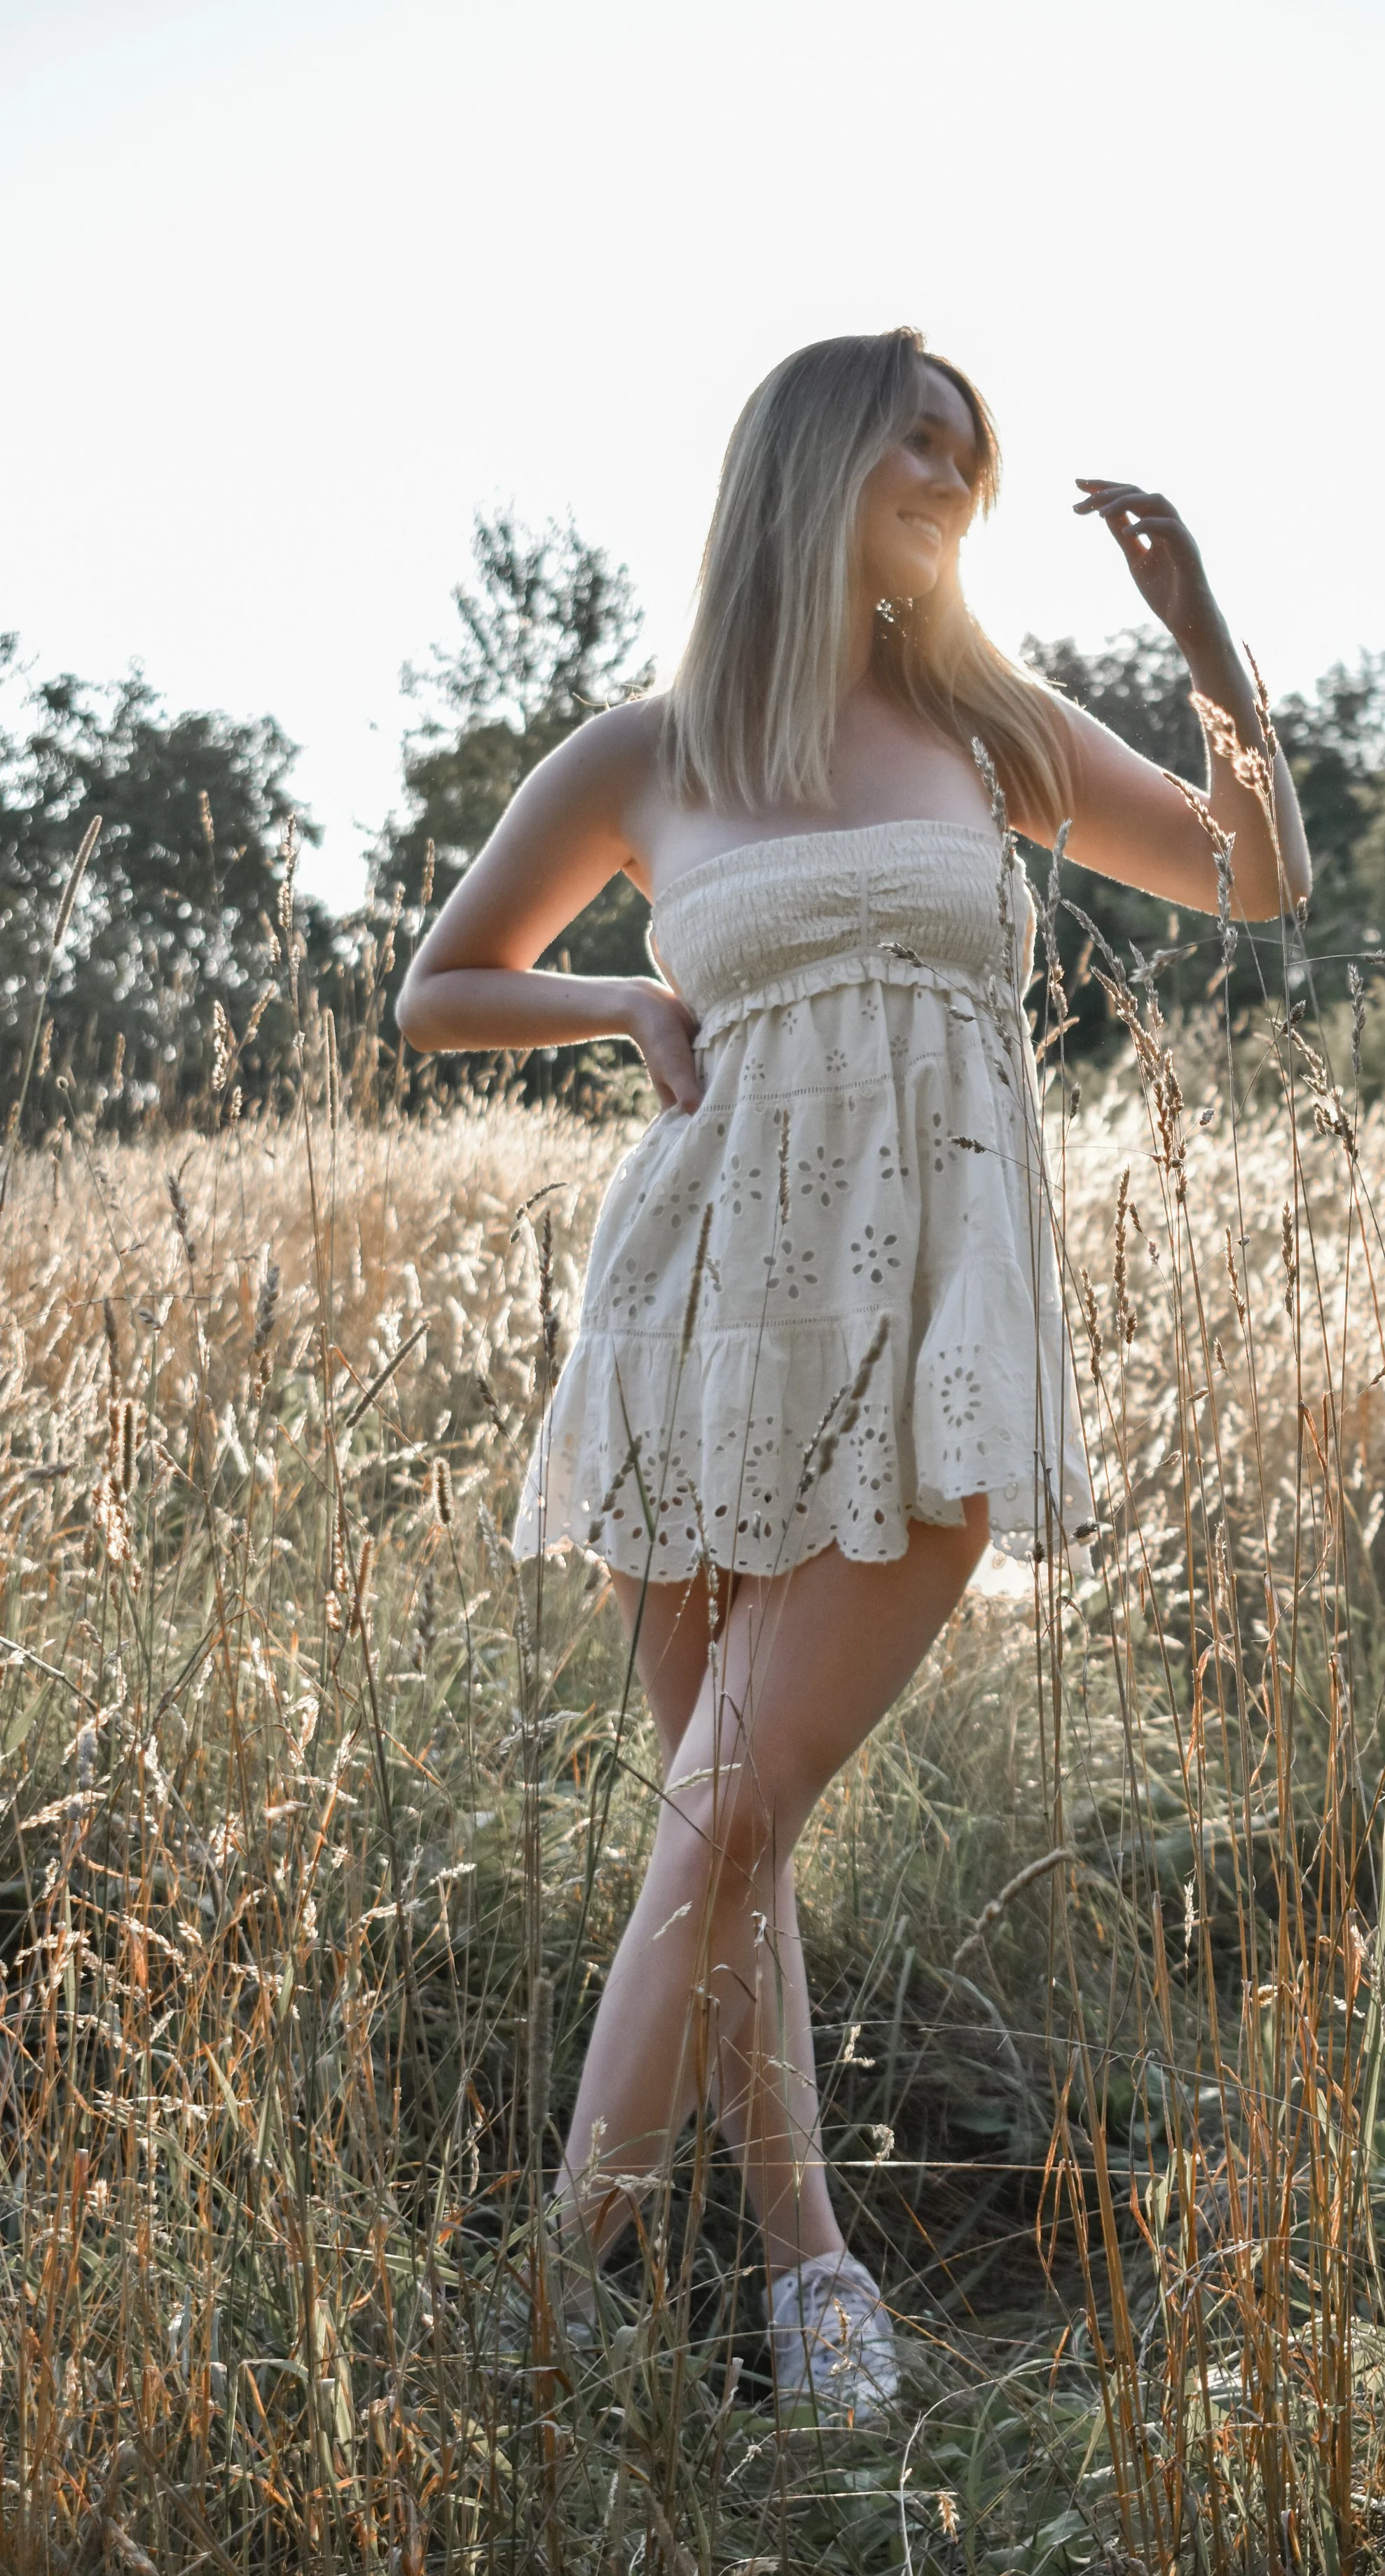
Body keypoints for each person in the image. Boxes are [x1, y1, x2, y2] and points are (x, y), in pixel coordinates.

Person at [397, 326, 1311, 2418]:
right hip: (694, 1312)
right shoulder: (645, 751)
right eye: (918, 438)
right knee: (729, 1834)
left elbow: (1253, 878)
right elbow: (437, 986)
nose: (952, 474)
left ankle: (545, 2308)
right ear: (805, 463)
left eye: (967, 454)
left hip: (926, 1331)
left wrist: (1205, 641)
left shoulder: (987, 727)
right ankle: (808, 2268)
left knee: (721, 1810)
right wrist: (620, 996)